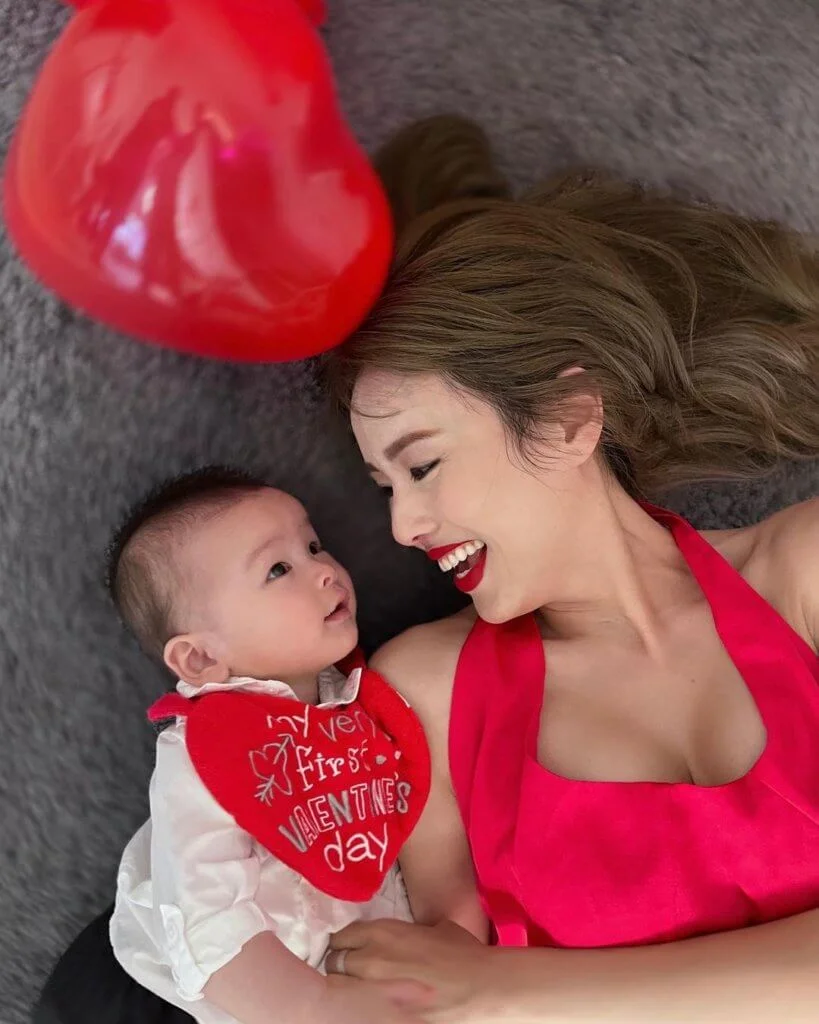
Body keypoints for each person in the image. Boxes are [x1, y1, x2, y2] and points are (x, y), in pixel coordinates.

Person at [319, 116, 819, 1022]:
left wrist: (512, 989)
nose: (402, 525)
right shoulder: (426, 690)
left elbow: (475, 993)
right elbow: (431, 988)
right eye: (382, 485)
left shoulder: (804, 573)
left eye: (421, 466)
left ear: (567, 419)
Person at [104, 467, 451, 1024]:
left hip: (386, 966)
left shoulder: (362, 703)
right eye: (278, 569)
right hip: (269, 994)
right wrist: (314, 1005)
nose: (324, 570)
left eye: (313, 546)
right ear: (200, 658)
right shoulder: (205, 753)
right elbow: (207, 914)